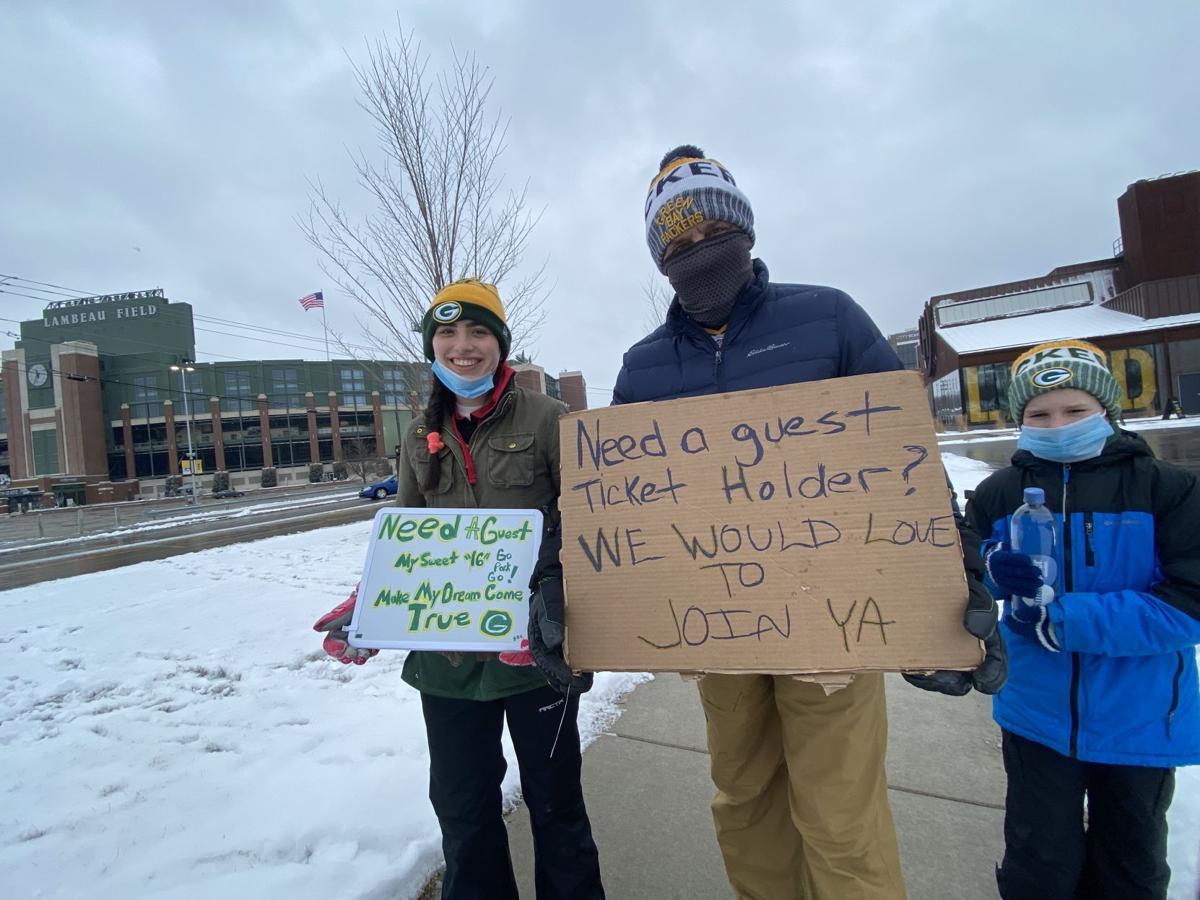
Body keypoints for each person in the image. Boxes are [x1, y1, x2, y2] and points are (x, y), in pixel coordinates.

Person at [610, 144, 1007, 899]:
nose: (700, 252)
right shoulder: (642, 366)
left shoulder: (827, 317)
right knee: (744, 804)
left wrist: (948, 580)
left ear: (745, 230)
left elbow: (905, 462)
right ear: (660, 255)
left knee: (839, 816)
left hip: (835, 622)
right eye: (679, 242)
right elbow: (625, 505)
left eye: (712, 233)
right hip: (717, 628)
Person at [314, 279, 604, 900]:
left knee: (557, 809)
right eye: (447, 333)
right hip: (446, 663)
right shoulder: (419, 436)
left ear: (499, 344)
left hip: (536, 656)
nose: (462, 347)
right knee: (464, 817)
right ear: (432, 346)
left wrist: (549, 600)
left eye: (477, 332)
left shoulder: (549, 419)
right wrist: (371, 608)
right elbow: (407, 535)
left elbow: (586, 523)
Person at [966, 339, 1200, 900]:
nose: (1056, 424)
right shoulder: (1000, 493)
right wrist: (997, 569)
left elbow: (1188, 603)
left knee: (1131, 865)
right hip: (1035, 713)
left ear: (1108, 412)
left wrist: (1067, 619)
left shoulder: (1166, 488)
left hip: (1140, 716)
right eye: (1038, 414)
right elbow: (966, 573)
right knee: (1038, 861)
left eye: (1075, 411)